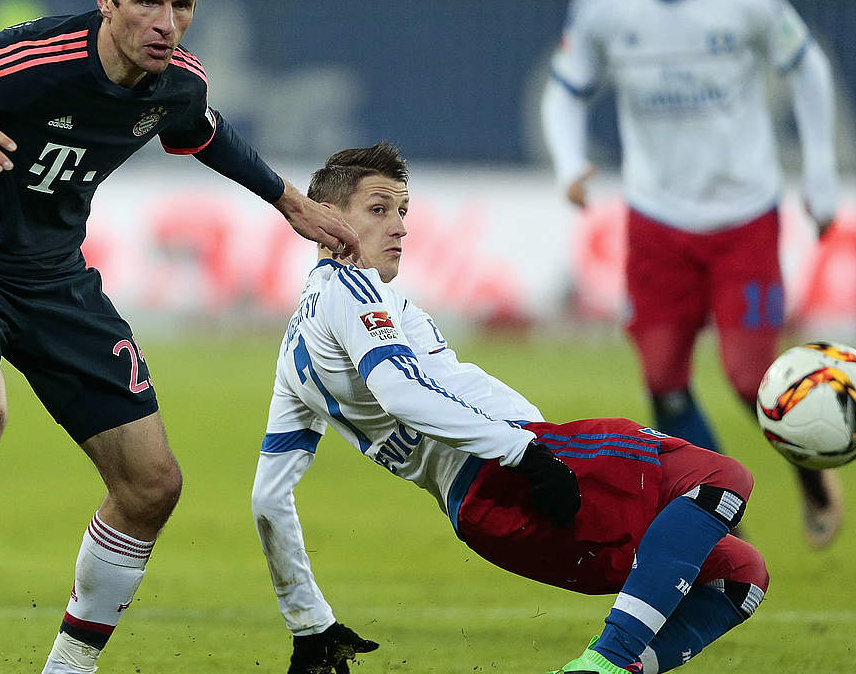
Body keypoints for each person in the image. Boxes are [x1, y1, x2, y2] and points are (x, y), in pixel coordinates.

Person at [0, 0, 360, 672]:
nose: (167, 23)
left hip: (53, 278)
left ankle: (68, 667)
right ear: (106, 1)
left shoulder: (177, 80)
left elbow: (204, 133)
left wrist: (289, 202)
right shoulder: (32, 58)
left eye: (182, 5)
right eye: (148, 1)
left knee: (152, 485)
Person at [252, 142, 768, 674]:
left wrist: (309, 623)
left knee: (738, 575)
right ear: (325, 219)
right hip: (523, 467)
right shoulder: (350, 286)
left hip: (486, 520)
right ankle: (607, 663)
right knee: (722, 478)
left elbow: (268, 497)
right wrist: (525, 452)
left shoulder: (294, 353)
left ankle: (618, 668)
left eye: (403, 211)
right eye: (379, 210)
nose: (401, 227)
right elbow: (400, 392)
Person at [539, 0, 844, 547]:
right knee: (662, 380)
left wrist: (819, 171)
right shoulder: (603, 2)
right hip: (656, 222)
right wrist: (569, 164)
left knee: (747, 379)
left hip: (744, 220)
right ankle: (718, 509)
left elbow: (807, 67)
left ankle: (812, 475)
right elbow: (564, 91)